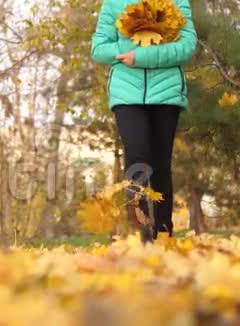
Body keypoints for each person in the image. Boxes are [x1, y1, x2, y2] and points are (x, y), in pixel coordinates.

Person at [90, 0, 197, 240]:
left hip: (166, 93)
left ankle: (164, 233)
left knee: (160, 165)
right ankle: (143, 233)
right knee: (137, 159)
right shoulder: (114, 3)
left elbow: (187, 46)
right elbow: (98, 48)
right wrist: (129, 43)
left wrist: (142, 55)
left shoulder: (177, 2)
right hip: (126, 94)